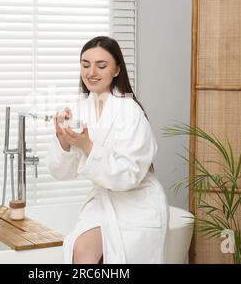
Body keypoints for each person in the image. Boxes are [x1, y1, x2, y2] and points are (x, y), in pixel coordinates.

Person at [45, 36, 169, 264]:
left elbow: (128, 175)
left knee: (88, 253)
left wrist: (86, 146)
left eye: (101, 65)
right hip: (103, 203)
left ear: (116, 70)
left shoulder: (130, 112)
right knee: (80, 250)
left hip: (136, 203)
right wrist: (63, 141)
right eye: (85, 65)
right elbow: (61, 172)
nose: (91, 72)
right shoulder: (78, 109)